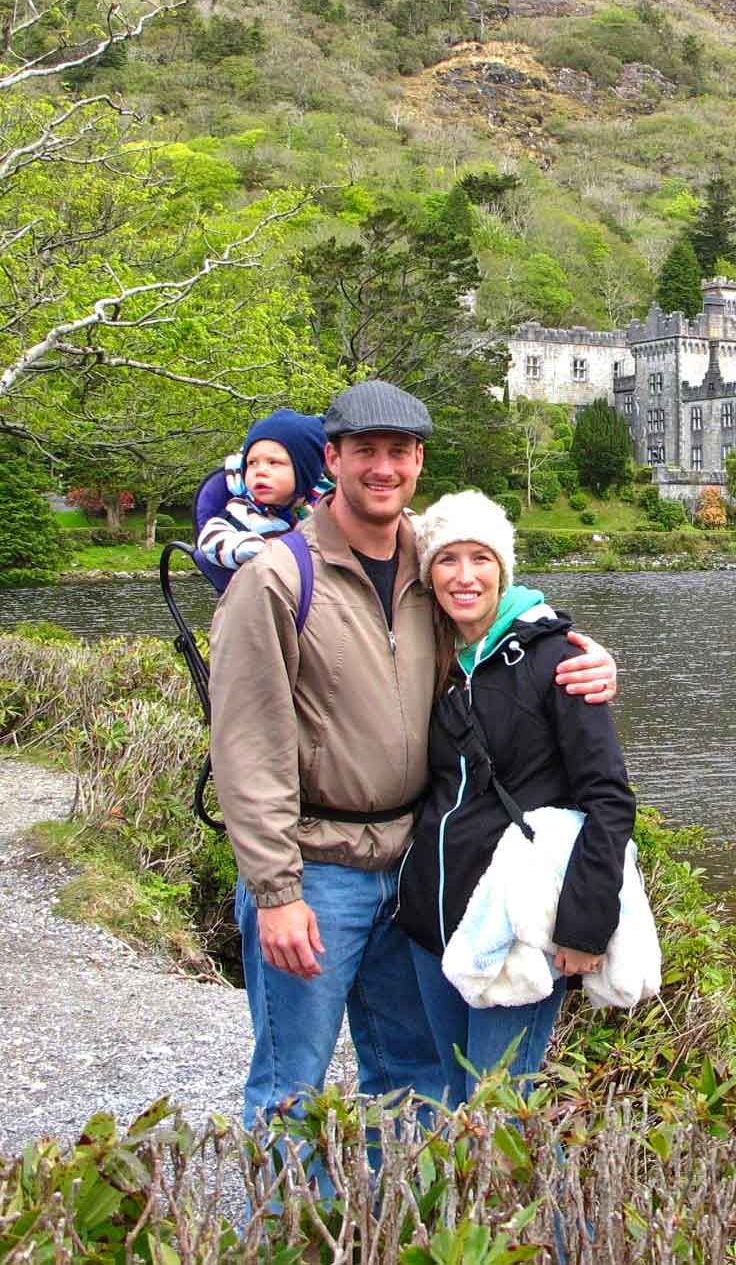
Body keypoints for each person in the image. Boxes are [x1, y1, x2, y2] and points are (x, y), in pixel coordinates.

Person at [208, 381, 619, 1135]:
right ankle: (288, 1235)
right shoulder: (274, 579)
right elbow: (247, 747)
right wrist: (274, 892)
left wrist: (587, 656)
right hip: (315, 868)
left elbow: (504, 616)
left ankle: (388, 1231)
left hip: (409, 875)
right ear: (331, 459)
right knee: (289, 1082)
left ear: (418, 460)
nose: (382, 467)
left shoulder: (427, 561)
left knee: (412, 1081)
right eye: (363, 451)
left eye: (398, 452)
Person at [397, 490, 637, 1108]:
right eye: (448, 560)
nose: (466, 576)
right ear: (429, 575)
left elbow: (609, 797)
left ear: (504, 567)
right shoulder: (435, 656)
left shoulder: (557, 658)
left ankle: (547, 1210)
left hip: (517, 928)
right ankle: (462, 1209)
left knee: (499, 1105)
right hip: (434, 922)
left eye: (482, 558)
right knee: (450, 1097)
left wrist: (586, 926)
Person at [196, 408, 332, 570]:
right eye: (252, 463)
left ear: (304, 473)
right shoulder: (242, 510)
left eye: (273, 462)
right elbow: (210, 540)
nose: (260, 471)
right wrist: (256, 549)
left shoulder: (317, 512)